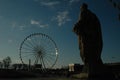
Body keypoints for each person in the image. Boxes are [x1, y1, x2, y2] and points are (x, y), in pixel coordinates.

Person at [73, 3, 103, 74]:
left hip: (86, 37)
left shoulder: (83, 13)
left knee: (85, 53)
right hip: (94, 38)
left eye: (81, 8)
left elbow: (81, 22)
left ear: (82, 8)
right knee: (93, 54)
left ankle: (89, 68)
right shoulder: (94, 15)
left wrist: (75, 27)